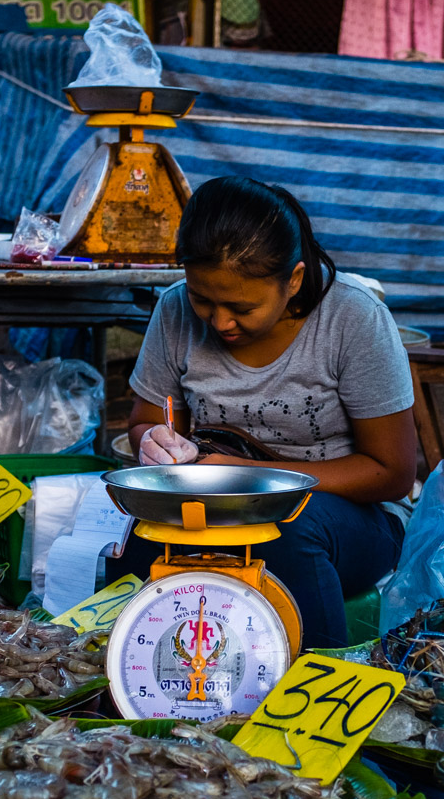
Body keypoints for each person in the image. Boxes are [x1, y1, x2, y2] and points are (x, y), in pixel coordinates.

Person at [113, 176, 417, 650]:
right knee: (141, 542)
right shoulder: (174, 309)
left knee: (285, 534)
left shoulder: (352, 320)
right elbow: (142, 422)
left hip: (357, 517)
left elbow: (392, 473)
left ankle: (313, 692)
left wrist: (247, 476)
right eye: (203, 300)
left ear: (293, 280)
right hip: (218, 505)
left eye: (241, 306)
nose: (219, 322)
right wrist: (155, 442)